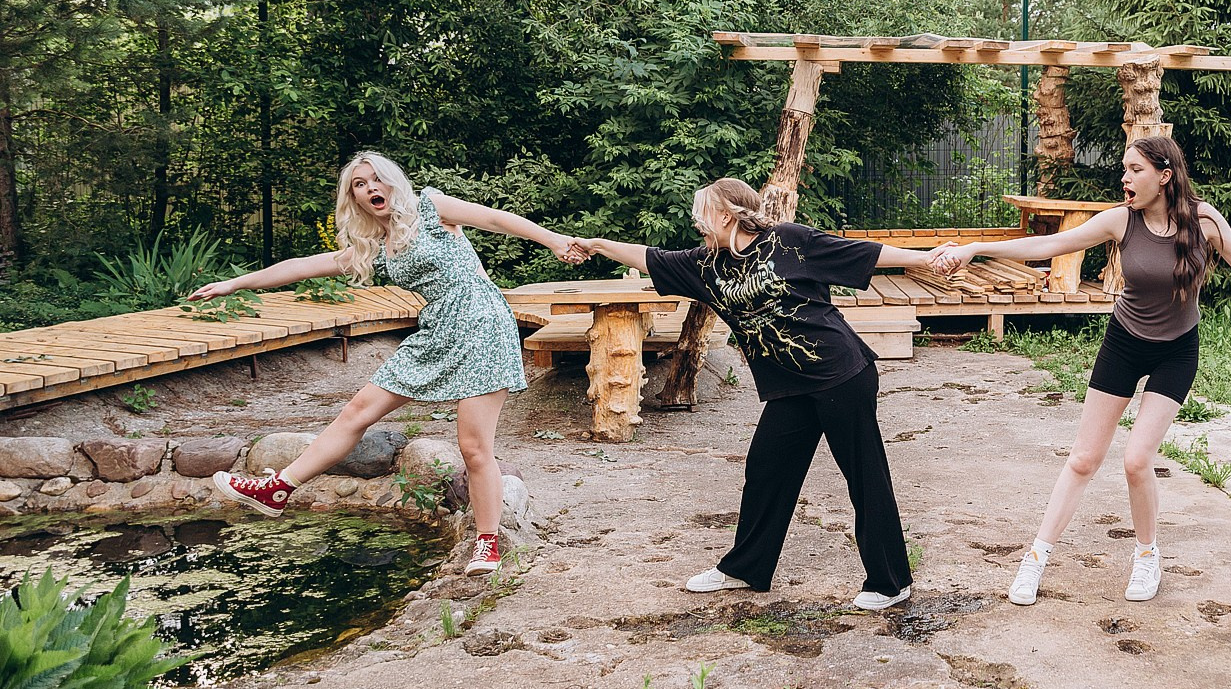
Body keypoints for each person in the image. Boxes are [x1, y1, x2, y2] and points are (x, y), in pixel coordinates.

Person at [931, 135, 1231, 606]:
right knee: (1083, 459)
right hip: (1124, 344)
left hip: (1176, 351)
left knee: (1136, 460)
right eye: (1123, 169)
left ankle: (1147, 556)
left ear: (1164, 176)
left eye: (1135, 170)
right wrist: (976, 248)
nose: (1124, 178)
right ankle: (1036, 558)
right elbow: (1050, 243)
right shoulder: (1121, 220)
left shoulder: (1204, 222)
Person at [198, 152, 579, 574]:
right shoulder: (374, 248)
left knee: (473, 447)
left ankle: (487, 541)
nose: (371, 188)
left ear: (393, 182)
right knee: (356, 411)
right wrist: (235, 283)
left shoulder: (432, 208)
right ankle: (278, 488)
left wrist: (556, 241)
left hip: (482, 323)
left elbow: (498, 219)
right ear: (354, 198)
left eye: (377, 179)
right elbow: (301, 267)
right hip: (436, 329)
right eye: (360, 184)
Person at [579, 179, 938, 611]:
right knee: (767, 469)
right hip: (789, 386)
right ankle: (746, 568)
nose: (697, 224)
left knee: (864, 475)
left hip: (840, 374)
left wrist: (927, 259)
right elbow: (649, 257)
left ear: (726, 215)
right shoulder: (706, 264)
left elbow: (864, 253)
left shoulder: (790, 240)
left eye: (703, 214)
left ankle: (890, 581)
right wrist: (598, 244)